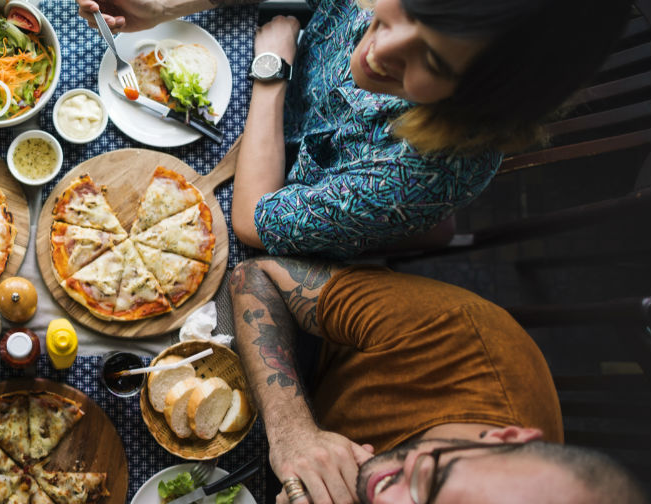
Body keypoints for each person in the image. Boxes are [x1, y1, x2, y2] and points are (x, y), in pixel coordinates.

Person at [78, 0, 630, 258]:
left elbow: (253, 220)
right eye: (404, 9)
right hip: (270, 54)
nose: (376, 51)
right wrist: (169, 4)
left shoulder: (428, 174)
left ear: (486, 101)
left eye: (432, 63)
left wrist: (271, 74)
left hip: (268, 165)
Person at [228, 257, 647, 504]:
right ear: (504, 439)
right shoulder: (459, 334)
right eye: (428, 482)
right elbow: (257, 277)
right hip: (303, 361)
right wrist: (292, 431)